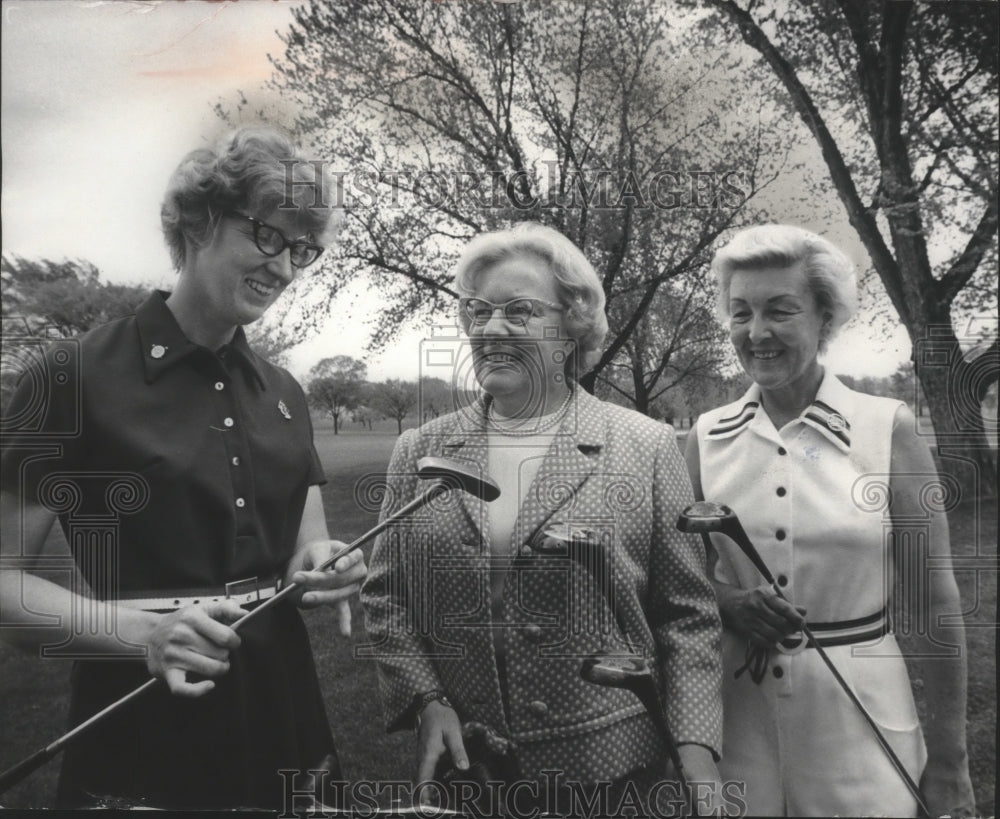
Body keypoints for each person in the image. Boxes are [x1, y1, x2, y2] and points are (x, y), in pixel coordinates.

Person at [0, 126, 366, 810]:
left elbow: (302, 551)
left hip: (283, 704)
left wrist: (324, 562)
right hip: (140, 715)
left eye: (302, 250)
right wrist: (145, 636)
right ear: (199, 220)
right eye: (267, 235)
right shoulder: (69, 377)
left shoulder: (286, 392)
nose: (285, 269)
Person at [361, 222, 724, 816]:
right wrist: (426, 699)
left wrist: (695, 744)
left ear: (571, 324)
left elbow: (687, 615)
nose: (491, 328)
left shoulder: (647, 446)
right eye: (477, 311)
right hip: (470, 770)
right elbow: (387, 596)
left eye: (519, 311)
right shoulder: (420, 451)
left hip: (611, 770)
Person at [684, 224, 976, 817]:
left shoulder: (887, 428)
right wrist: (726, 600)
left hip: (862, 720)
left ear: (824, 318)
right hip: (736, 721)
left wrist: (951, 759)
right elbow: (677, 583)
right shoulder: (704, 436)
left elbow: (931, 603)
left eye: (780, 311)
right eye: (741, 313)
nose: (757, 332)